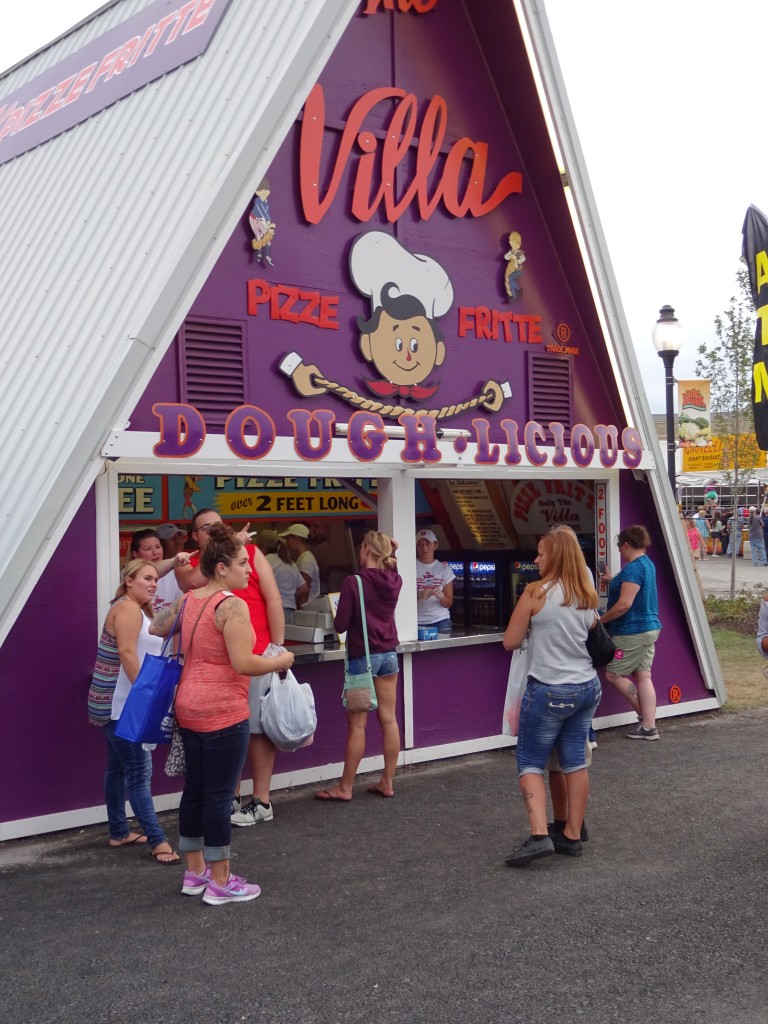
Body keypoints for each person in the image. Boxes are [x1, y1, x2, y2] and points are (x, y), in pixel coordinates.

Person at [150, 525, 294, 905]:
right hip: (222, 709)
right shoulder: (233, 605)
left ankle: (194, 872)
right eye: (244, 562)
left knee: (195, 791)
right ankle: (221, 880)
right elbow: (243, 663)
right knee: (218, 797)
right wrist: (283, 657)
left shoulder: (191, 599)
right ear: (221, 568)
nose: (251, 570)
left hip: (188, 705)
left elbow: (155, 625)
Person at [174, 508, 286, 827]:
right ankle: (231, 799)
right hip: (215, 672)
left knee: (259, 729)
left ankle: (261, 800)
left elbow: (273, 598)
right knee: (229, 735)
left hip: (259, 652)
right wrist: (223, 550)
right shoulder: (189, 564)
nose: (214, 530)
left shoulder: (250, 553)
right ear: (195, 536)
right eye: (206, 528)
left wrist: (277, 647)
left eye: (218, 526)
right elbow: (194, 582)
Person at [502, 529, 601, 866]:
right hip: (586, 686)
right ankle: (571, 835)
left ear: (555, 556)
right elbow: (588, 631)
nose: (535, 559)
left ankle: (539, 836)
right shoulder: (586, 593)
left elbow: (510, 641)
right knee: (574, 760)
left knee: (529, 761)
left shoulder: (535, 592)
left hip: (548, 688)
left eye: (541, 554)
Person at [88, 559, 180, 863]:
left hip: (122, 704)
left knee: (117, 768)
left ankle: (119, 831)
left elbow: (152, 635)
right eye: (147, 579)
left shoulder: (138, 609)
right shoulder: (127, 608)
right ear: (129, 581)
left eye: (156, 579)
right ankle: (157, 840)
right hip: (122, 705)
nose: (154, 584)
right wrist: (145, 697)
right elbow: (127, 652)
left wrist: (181, 600)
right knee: (139, 773)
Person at [315, 531, 402, 801]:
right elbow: (391, 564)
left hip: (362, 659)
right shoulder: (395, 579)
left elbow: (341, 624)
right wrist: (392, 550)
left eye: (362, 546)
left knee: (358, 727)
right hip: (389, 654)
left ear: (366, 550)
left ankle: (345, 787)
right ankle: (387, 782)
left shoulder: (354, 583)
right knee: (389, 719)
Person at [599, 525, 662, 741]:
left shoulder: (633, 568)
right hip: (649, 629)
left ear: (626, 544)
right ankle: (649, 727)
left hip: (630, 633)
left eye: (619, 547)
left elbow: (624, 604)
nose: (618, 551)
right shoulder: (647, 564)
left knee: (613, 674)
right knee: (643, 676)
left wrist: (600, 620)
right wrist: (611, 580)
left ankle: (646, 717)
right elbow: (630, 586)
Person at [129, 528, 191, 616]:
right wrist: (173, 561)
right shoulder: (129, 575)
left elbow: (180, 611)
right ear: (135, 554)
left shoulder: (174, 574)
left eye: (158, 547)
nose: (155, 552)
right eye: (147, 549)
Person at [254, 528, 307, 622]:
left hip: (273, 611)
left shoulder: (264, 561)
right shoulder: (289, 562)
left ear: (262, 547)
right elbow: (304, 588)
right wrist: (289, 594)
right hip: (291, 611)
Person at [415, 528, 454, 633]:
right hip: (416, 621)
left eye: (428, 544)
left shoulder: (444, 569)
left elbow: (448, 603)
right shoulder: (410, 567)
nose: (424, 548)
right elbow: (401, 599)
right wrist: (419, 595)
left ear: (435, 545)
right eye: (420, 544)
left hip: (440, 620)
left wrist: (440, 595)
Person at [279, 524, 320, 604]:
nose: (286, 543)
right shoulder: (303, 558)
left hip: (307, 610)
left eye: (287, 539)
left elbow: (304, 591)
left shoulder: (306, 560)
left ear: (296, 539)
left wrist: (300, 612)